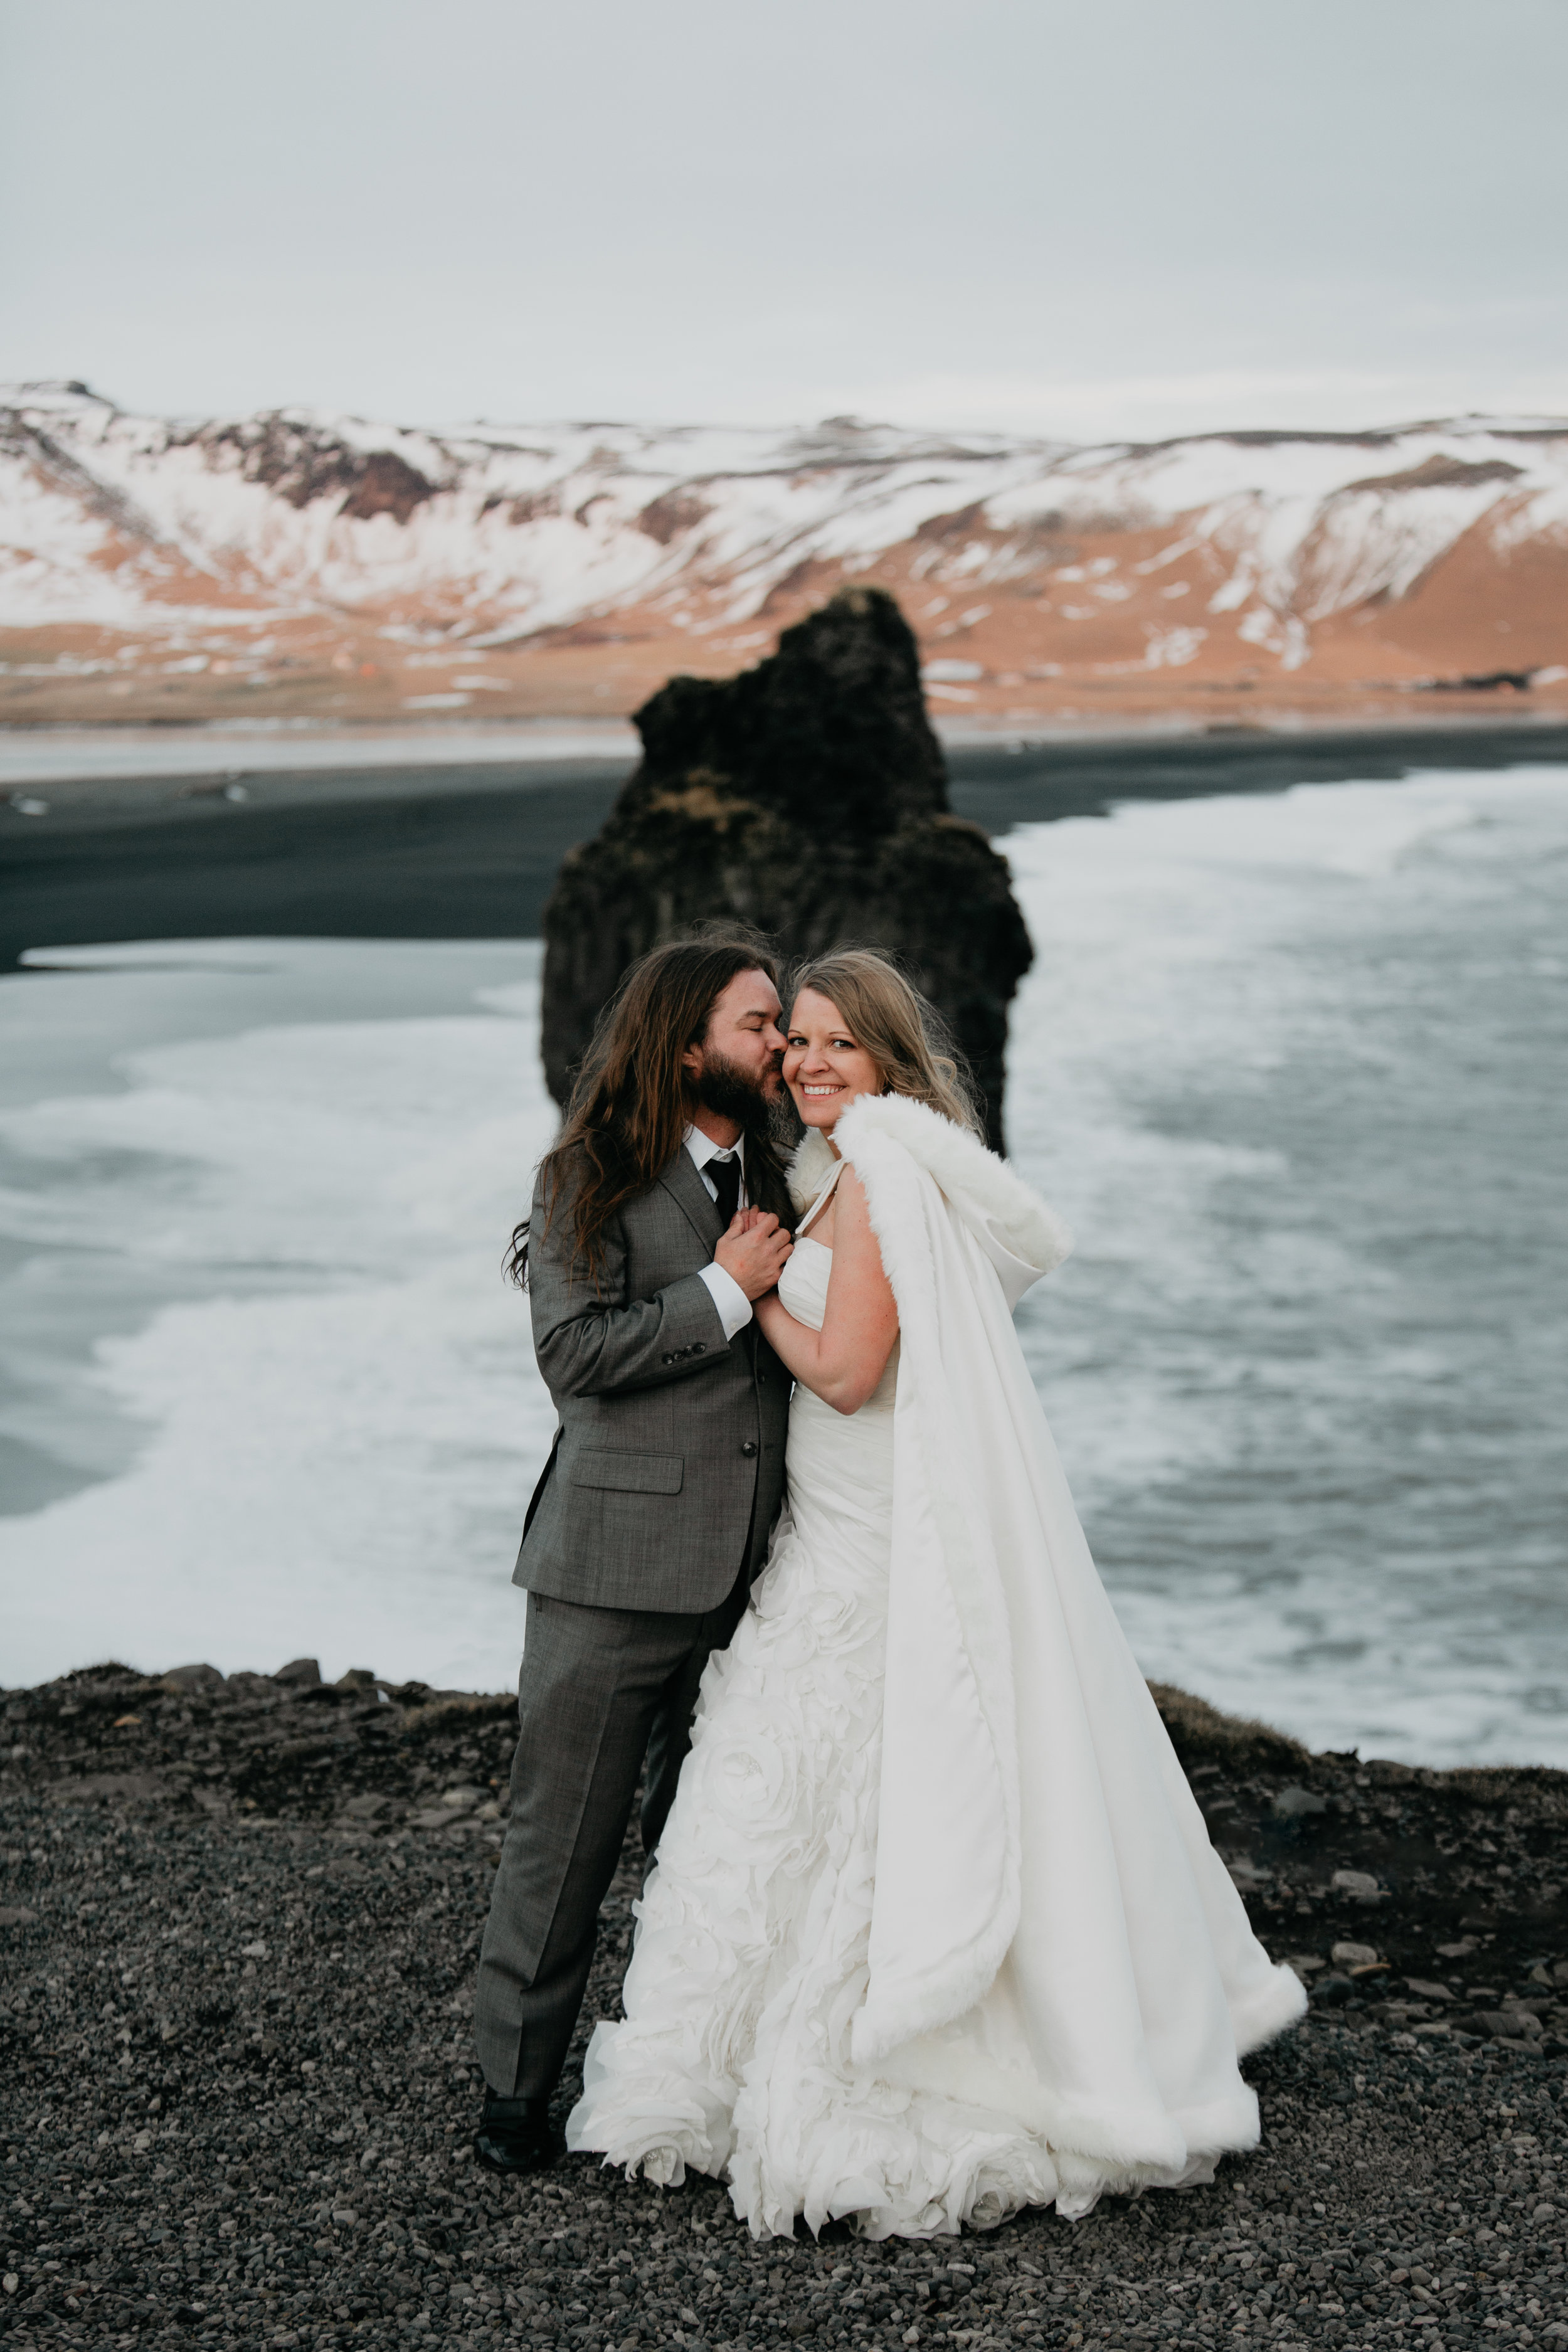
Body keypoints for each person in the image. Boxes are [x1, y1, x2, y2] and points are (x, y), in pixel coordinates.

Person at [566, 948, 1306, 2238]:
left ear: (887, 1058)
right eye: (792, 1041)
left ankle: (879, 2046)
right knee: (790, 1781)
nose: (804, 1062)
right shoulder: (848, 1170)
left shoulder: (885, 1176)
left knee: (850, 1780)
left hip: (859, 1527)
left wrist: (743, 1299)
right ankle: (750, 2049)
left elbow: (848, 1372)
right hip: (837, 1518)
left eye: (834, 1044)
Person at [472, 935, 797, 2174]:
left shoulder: (778, 1171)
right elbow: (574, 1357)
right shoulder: (588, 1176)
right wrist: (720, 1292)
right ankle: (513, 2098)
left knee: (707, 1850)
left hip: (750, 1580)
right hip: (608, 1574)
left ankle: (677, 2088)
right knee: (561, 1846)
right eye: (757, 1021)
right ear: (683, 1040)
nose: (776, 1044)